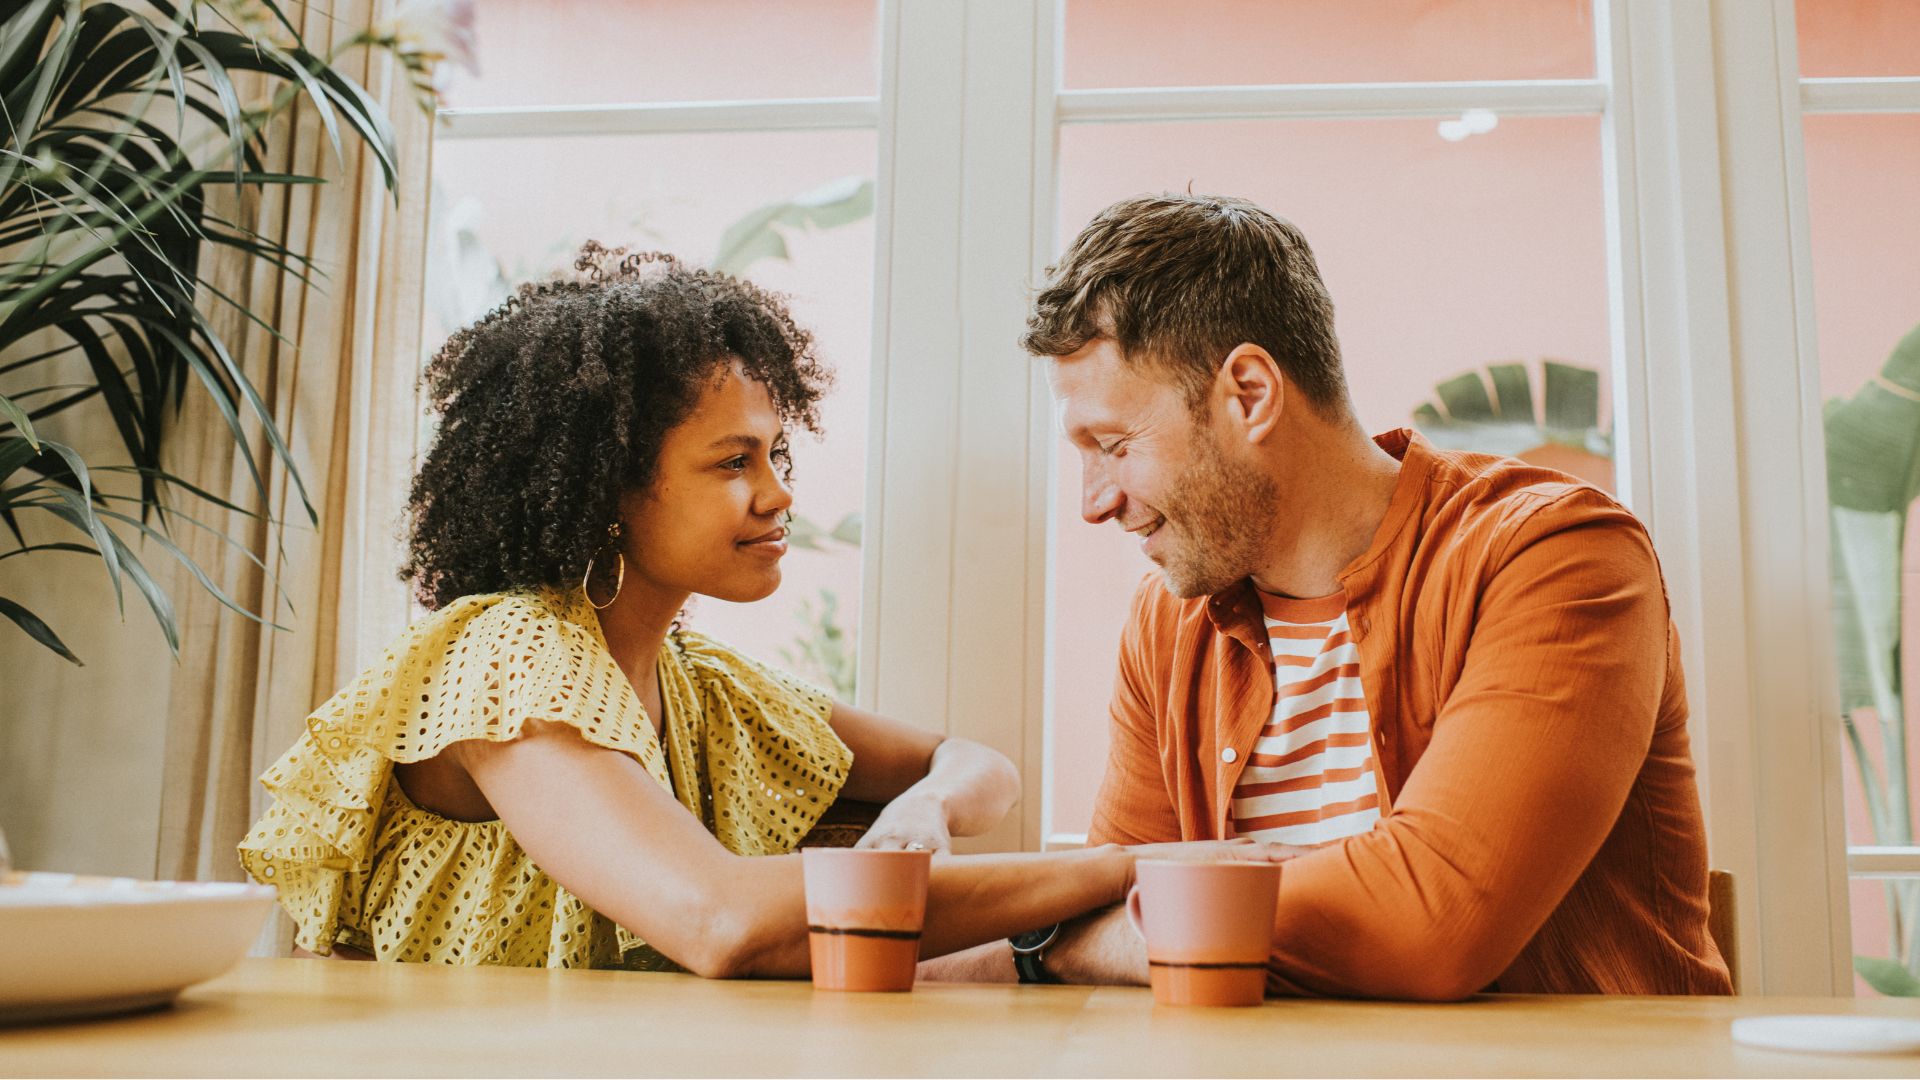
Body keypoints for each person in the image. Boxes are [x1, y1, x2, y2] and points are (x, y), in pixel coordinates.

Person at [237, 244, 1267, 975]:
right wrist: (1128, 868)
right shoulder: (511, 658)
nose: (778, 492)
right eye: (733, 462)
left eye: (777, 453)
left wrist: (926, 808)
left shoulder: (699, 687)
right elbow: (722, 920)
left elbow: (976, 765)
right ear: (608, 488)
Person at [921, 194, 1733, 999]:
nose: (1095, 500)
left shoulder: (1554, 556)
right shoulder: (1169, 623)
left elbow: (1429, 923)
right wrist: (1079, 937)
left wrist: (1062, 948)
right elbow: (1103, 903)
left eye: (1114, 444)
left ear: (1250, 393)